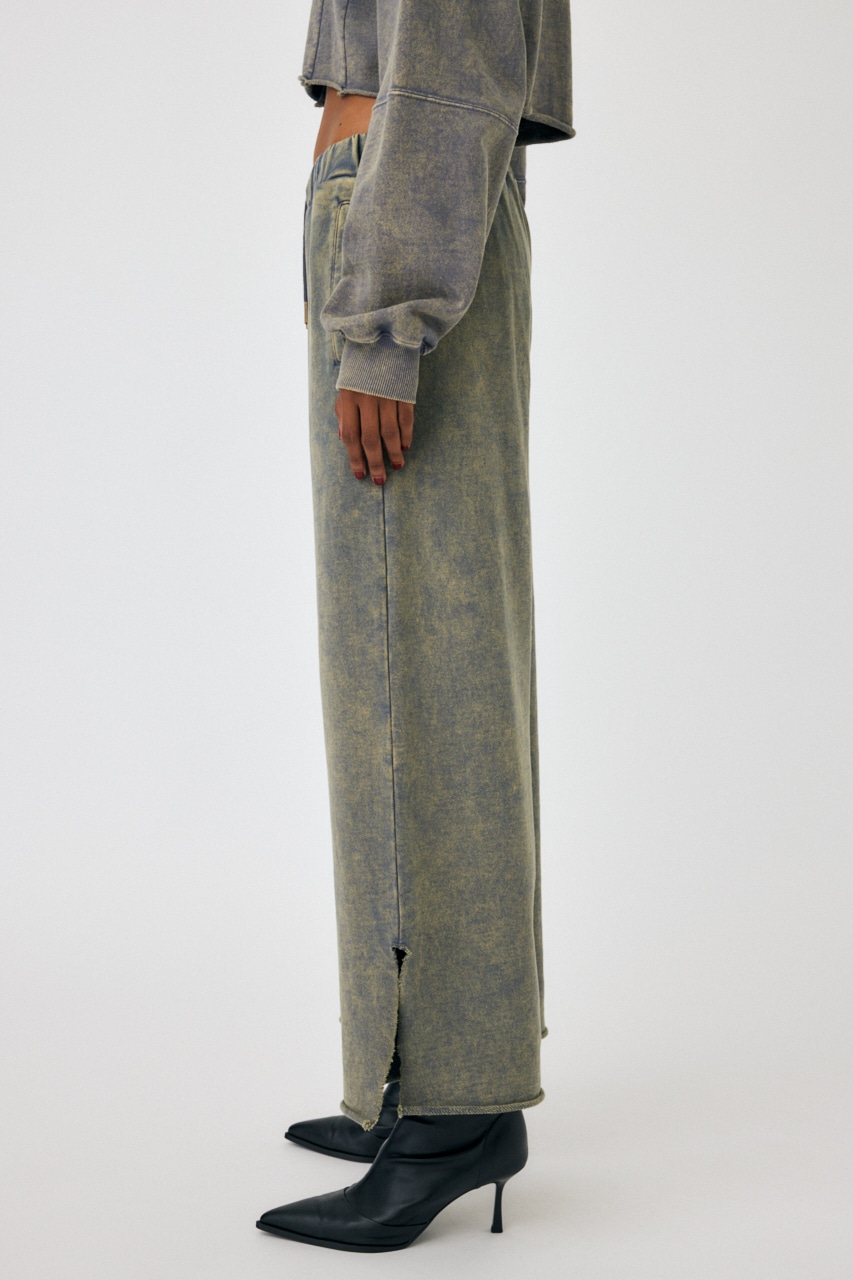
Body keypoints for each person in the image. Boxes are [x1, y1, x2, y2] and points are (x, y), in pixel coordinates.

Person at [256, 0, 575, 1252]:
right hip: (401, 205)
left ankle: (455, 1104)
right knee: (408, 664)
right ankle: (418, 1070)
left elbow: (448, 45)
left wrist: (387, 322)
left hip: (408, 218)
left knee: (420, 675)